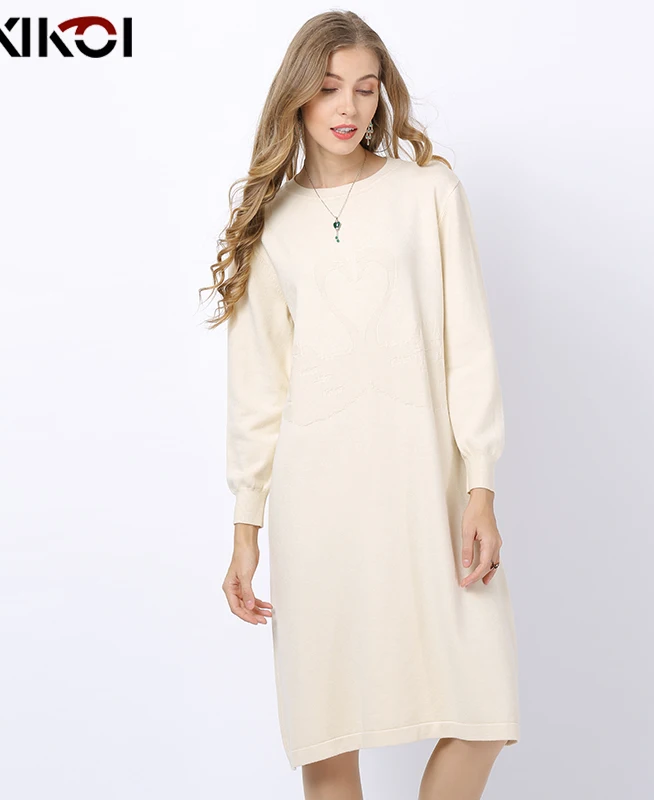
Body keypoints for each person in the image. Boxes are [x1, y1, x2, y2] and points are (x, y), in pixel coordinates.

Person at [200, 10, 520, 799]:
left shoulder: (430, 192)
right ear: (297, 98)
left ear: (383, 97)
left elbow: (469, 345)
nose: (348, 107)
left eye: (365, 89)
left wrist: (480, 484)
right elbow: (258, 389)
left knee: (483, 712)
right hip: (319, 506)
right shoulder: (273, 225)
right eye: (328, 88)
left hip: (429, 489)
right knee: (329, 734)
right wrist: (245, 528)